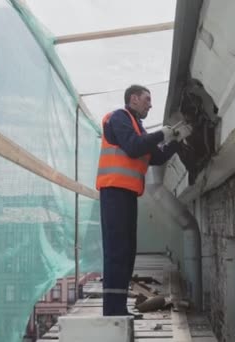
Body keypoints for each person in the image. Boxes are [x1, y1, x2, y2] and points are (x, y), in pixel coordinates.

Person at [95, 84, 192, 316]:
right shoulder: (119, 117)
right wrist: (162, 134)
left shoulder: (137, 127)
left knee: (127, 251)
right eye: (147, 99)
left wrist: (176, 140)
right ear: (134, 98)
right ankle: (112, 310)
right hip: (114, 193)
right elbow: (132, 147)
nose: (150, 104)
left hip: (126, 194)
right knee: (117, 250)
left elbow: (155, 157)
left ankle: (118, 308)